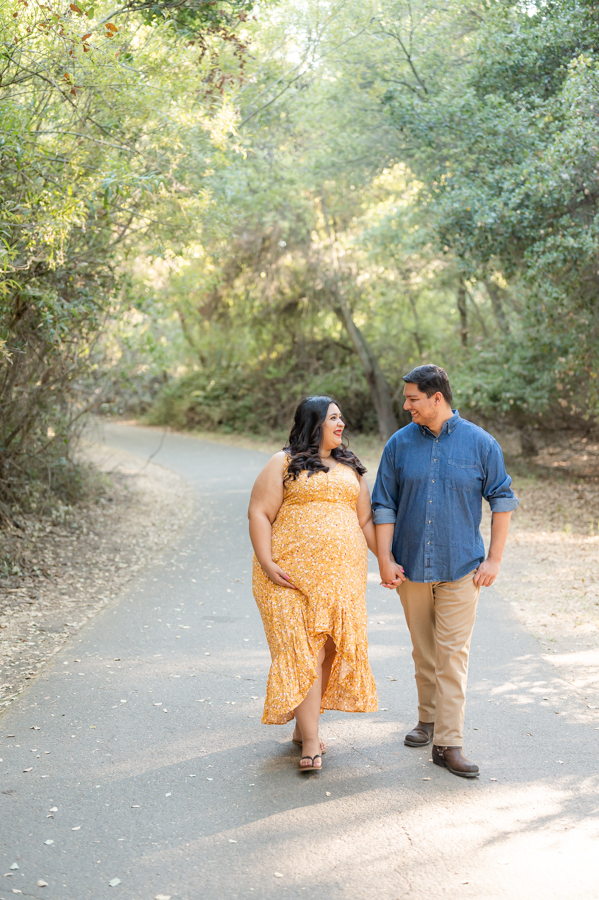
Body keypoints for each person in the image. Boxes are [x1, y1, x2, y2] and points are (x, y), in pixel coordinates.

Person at [372, 365, 518, 778]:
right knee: (424, 651)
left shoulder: (481, 444)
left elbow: (502, 499)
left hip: (461, 568)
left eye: (413, 398)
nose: (406, 405)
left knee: (453, 656)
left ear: (437, 398)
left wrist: (494, 559)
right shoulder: (399, 445)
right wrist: (384, 557)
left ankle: (448, 743)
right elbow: (384, 505)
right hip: (411, 567)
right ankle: (428, 719)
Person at [248, 396, 378, 771]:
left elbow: (366, 521)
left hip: (341, 581)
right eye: (334, 418)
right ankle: (310, 742)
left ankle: (306, 724)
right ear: (314, 422)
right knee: (306, 653)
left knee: (331, 652)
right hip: (288, 578)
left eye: (341, 418)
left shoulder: (351, 467)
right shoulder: (283, 462)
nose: (342, 424)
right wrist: (267, 561)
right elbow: (259, 511)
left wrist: (386, 562)